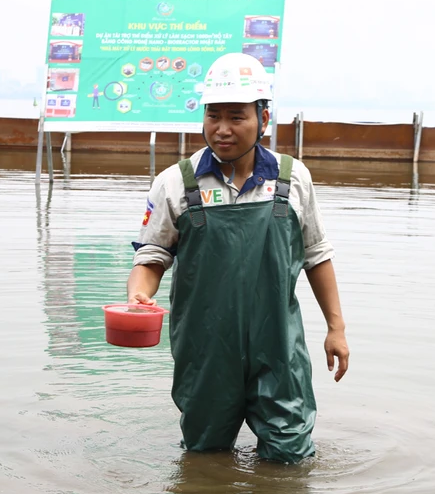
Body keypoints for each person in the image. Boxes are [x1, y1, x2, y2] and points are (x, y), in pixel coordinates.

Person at [127, 52, 349, 464]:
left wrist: (336, 329)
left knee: (290, 458)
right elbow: (152, 256)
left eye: (236, 117)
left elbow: (316, 255)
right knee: (204, 458)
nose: (222, 129)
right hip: (206, 351)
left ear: (262, 119)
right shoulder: (176, 182)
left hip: (279, 347)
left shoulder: (292, 177)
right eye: (213, 116)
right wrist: (139, 296)